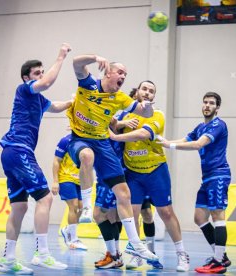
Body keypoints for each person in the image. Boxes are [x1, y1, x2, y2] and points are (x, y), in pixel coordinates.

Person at [66, 54, 158, 263]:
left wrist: (148, 104)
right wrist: (95, 57)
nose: (124, 76)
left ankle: (135, 243)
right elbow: (76, 63)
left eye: (126, 74)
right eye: (120, 72)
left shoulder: (121, 98)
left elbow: (146, 113)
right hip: (80, 139)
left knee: (123, 193)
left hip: (102, 143)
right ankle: (87, 207)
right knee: (86, 156)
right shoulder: (88, 84)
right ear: (108, 72)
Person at [0, 43, 72, 274]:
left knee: (19, 207)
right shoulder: (25, 90)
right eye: (37, 73)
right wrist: (60, 57)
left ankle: (8, 261)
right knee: (45, 199)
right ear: (26, 78)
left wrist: (75, 101)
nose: (41, 76)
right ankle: (42, 254)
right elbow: (48, 82)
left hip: (11, 153)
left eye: (42, 72)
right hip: (19, 150)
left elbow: (57, 106)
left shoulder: (38, 100)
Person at [109, 80, 190, 272]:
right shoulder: (125, 114)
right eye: (144, 89)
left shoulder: (158, 115)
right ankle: (138, 253)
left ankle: (182, 254)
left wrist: (117, 136)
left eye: (151, 91)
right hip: (133, 173)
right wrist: (119, 123)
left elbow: (143, 134)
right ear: (137, 92)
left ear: (154, 96)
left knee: (166, 212)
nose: (147, 93)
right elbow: (109, 123)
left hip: (156, 170)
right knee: (133, 214)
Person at [158, 92, 231, 274]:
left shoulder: (218, 125)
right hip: (206, 177)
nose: (207, 105)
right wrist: (162, 142)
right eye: (205, 102)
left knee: (217, 215)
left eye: (211, 103)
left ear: (217, 108)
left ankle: (218, 261)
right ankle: (221, 255)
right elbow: (185, 139)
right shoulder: (200, 126)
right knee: (199, 217)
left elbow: (198, 144)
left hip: (218, 174)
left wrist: (169, 146)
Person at [52, 133, 87, 250]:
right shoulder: (65, 140)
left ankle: (68, 230)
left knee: (82, 208)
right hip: (65, 177)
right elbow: (56, 160)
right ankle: (72, 238)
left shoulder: (89, 141)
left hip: (79, 180)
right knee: (74, 206)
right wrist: (55, 181)